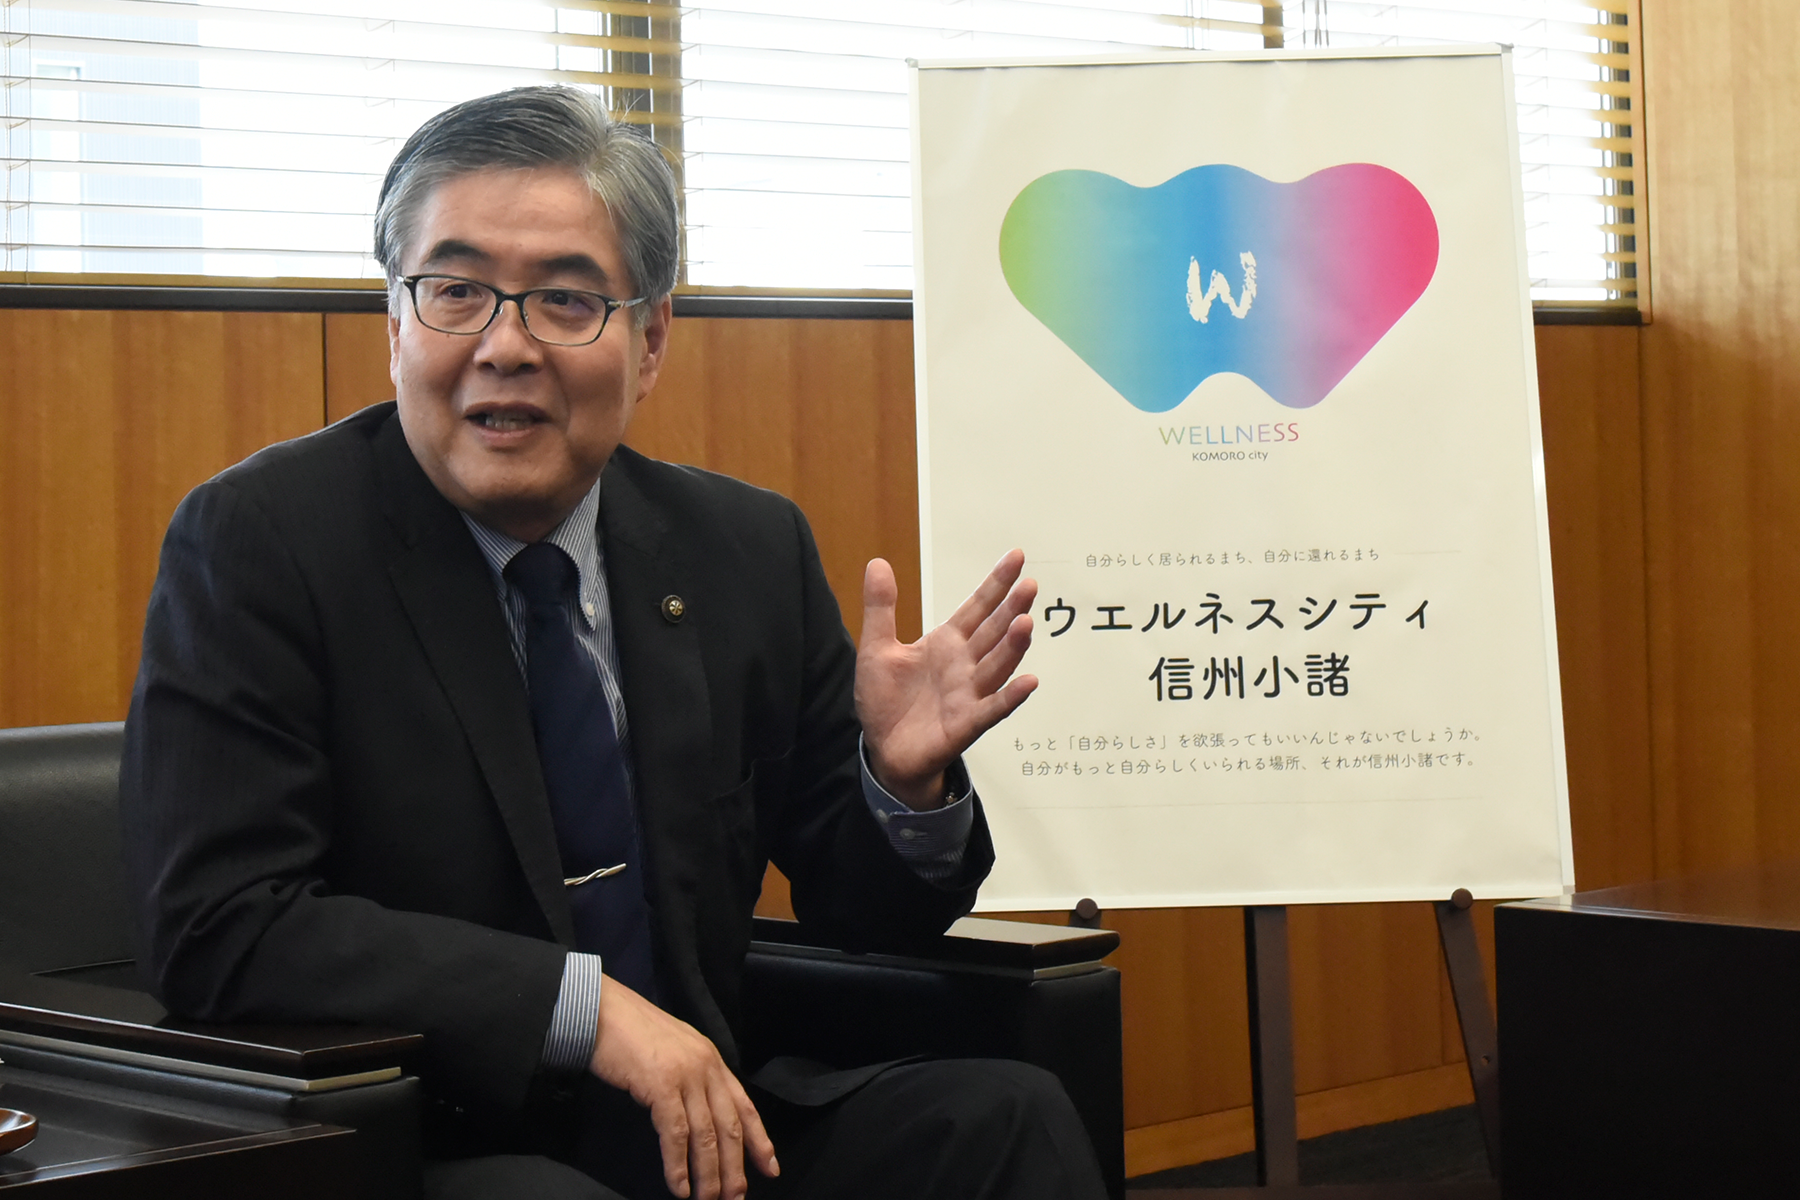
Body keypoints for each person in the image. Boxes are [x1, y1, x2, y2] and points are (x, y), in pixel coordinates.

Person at [119, 86, 1107, 1200]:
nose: (504, 346)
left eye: (565, 300)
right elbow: (220, 926)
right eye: (456, 291)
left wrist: (900, 784)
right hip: (439, 1137)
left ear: (650, 340)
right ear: (395, 324)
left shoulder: (743, 547)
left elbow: (868, 913)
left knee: (1003, 1122)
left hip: (708, 1124)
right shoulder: (262, 542)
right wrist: (585, 1012)